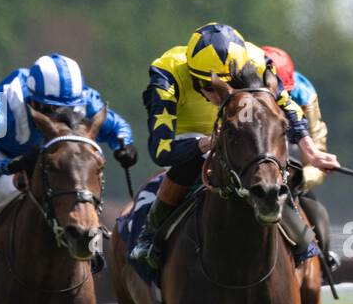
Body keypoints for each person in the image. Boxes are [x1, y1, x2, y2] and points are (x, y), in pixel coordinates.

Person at [129, 22, 338, 269]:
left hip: (241, 123)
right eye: (210, 88)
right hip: (192, 133)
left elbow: (288, 106)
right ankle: (150, 233)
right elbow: (161, 151)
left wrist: (311, 152)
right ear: (193, 77)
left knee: (266, 159)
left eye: (230, 86)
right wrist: (208, 143)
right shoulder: (167, 74)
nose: (220, 99)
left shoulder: (258, 61)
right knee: (193, 161)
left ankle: (305, 242)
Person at [0, 52, 135, 294]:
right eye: (51, 111)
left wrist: (123, 144)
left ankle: (92, 248)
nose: (61, 120)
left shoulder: (81, 97)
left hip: (57, 162)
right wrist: (7, 166)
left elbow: (117, 126)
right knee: (1, 188)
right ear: (32, 103)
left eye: (69, 111)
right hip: (11, 159)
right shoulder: (6, 104)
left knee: (82, 183)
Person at [262, 45, 338, 270]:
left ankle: (323, 261)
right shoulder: (246, 95)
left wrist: (300, 178)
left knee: (319, 215)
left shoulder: (303, 95)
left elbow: (318, 148)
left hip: (292, 167)